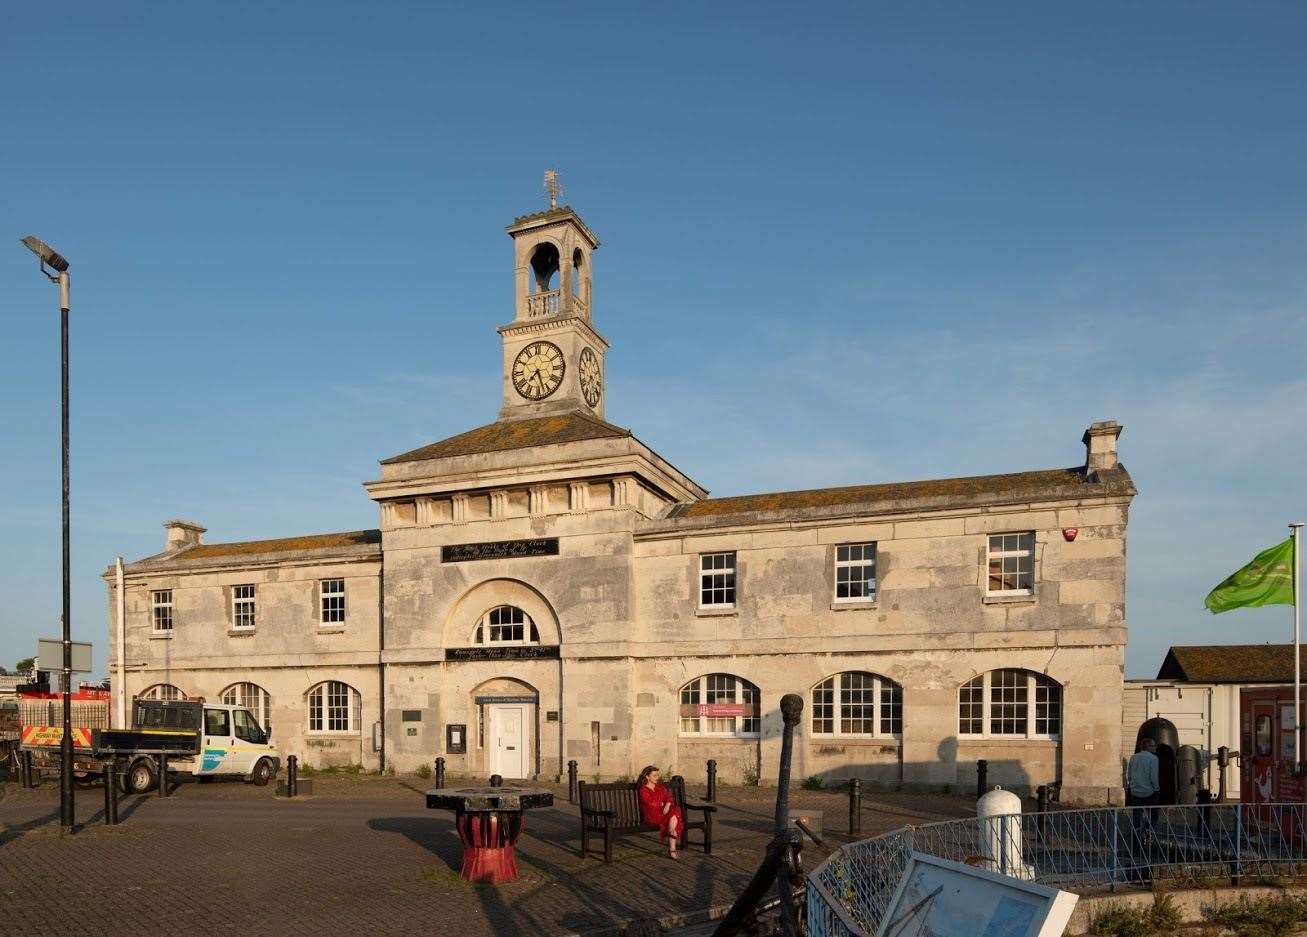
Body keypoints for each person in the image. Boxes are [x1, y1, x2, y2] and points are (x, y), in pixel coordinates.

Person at [637, 765, 684, 858]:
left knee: (675, 809)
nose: (657, 777)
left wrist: (667, 804)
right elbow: (650, 804)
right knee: (674, 814)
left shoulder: (660, 787)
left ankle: (671, 835)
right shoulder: (643, 790)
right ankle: (672, 848)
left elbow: (669, 797)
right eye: (654, 775)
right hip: (652, 815)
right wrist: (662, 804)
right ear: (647, 776)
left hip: (664, 813)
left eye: (657, 775)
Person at [1127, 738, 1161, 839]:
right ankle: (1146, 833)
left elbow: (1129, 774)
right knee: (1153, 815)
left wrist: (1130, 785)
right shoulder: (1153, 758)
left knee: (1137, 816)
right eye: (1154, 745)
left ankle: (1136, 836)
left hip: (1135, 791)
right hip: (1149, 791)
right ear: (1148, 747)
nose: (1155, 747)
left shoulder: (1133, 757)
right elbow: (1153, 776)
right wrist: (1157, 789)